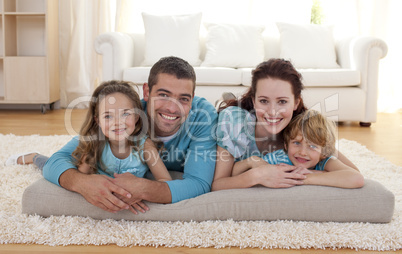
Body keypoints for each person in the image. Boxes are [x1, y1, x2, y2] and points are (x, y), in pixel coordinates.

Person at [7, 56, 218, 214]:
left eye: (183, 99)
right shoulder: (124, 116)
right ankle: (33, 156)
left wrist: (145, 188)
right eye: (163, 95)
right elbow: (58, 160)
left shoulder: (202, 117)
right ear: (146, 92)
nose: (172, 108)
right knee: (46, 160)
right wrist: (83, 183)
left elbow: (199, 183)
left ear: (192, 99)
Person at [212, 58, 360, 191]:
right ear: (253, 100)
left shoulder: (300, 128)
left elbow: (354, 173)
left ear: (296, 102)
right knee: (224, 109)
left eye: (282, 101)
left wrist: (303, 177)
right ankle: (226, 100)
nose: (272, 112)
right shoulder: (233, 122)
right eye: (263, 101)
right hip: (238, 116)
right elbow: (217, 184)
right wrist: (257, 173)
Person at [232, 109, 365, 188]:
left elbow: (356, 178)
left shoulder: (325, 161)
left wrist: (303, 178)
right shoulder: (279, 158)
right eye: (296, 143)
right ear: (286, 145)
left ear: (323, 152)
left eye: (312, 146)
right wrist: (251, 161)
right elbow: (234, 174)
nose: (302, 152)